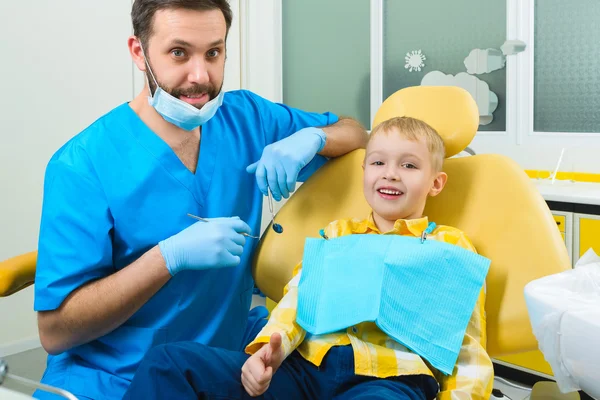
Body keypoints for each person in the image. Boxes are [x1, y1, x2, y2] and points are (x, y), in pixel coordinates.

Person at [33, 0, 367, 398]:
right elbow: (54, 332)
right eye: (178, 53)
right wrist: (166, 258)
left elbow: (357, 133)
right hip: (113, 379)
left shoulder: (246, 118)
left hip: (215, 367)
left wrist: (315, 138)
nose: (200, 76)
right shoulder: (83, 164)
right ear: (139, 53)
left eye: (214, 52)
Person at [122, 116, 494, 400]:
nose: (391, 174)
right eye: (378, 162)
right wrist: (269, 352)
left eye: (409, 166)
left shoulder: (449, 246)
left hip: (391, 380)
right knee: (169, 363)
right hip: (307, 369)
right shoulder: (335, 235)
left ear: (436, 182)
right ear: (364, 170)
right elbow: (297, 302)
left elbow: (466, 345)